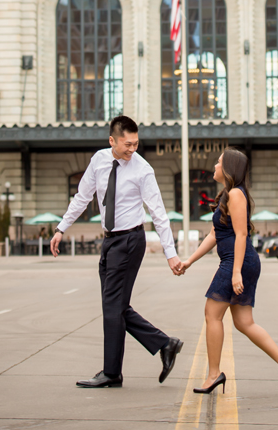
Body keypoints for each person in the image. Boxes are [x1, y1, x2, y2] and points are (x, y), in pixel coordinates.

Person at [50, 115, 184, 388]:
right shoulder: (99, 160)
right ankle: (164, 343)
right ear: (112, 140)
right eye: (127, 144)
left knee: (113, 308)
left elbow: (159, 214)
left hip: (130, 241)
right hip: (109, 241)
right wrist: (61, 228)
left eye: (136, 144)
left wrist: (170, 253)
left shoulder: (142, 169)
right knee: (116, 307)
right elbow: (82, 197)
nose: (132, 149)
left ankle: (112, 373)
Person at [181, 148, 278, 395]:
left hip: (235, 262)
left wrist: (236, 271)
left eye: (218, 163)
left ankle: (214, 374)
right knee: (244, 322)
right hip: (239, 261)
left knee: (212, 314)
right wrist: (189, 261)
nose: (214, 167)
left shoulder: (236, 194)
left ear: (228, 168)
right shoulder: (228, 195)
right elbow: (215, 234)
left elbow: (241, 234)